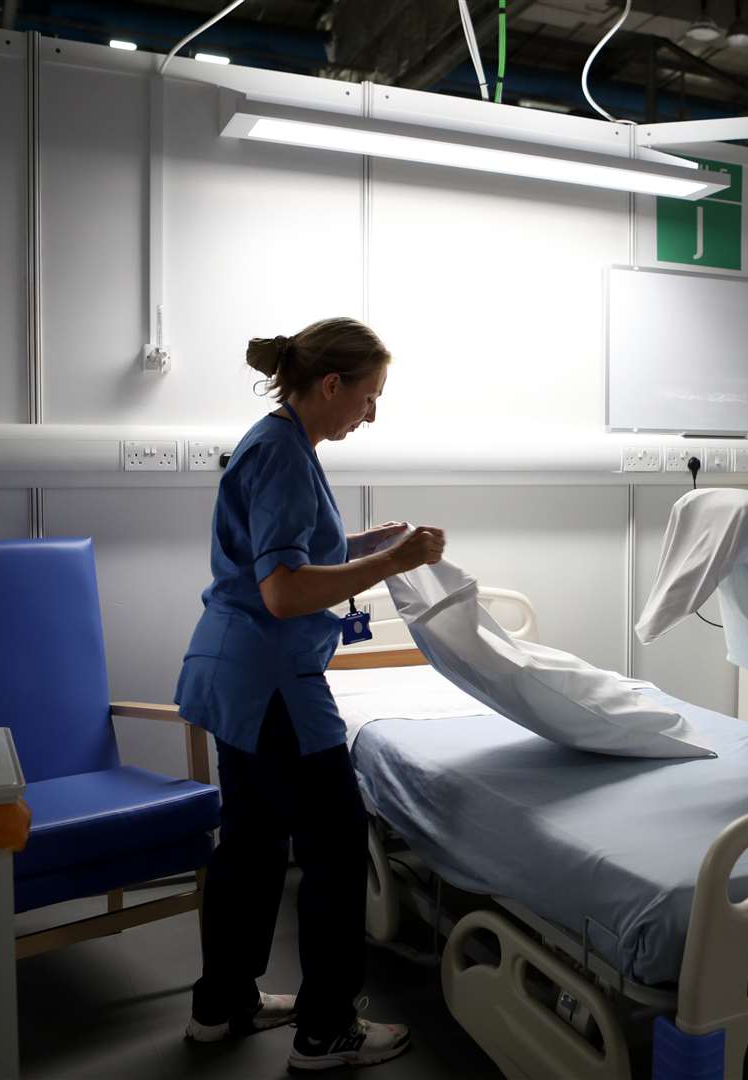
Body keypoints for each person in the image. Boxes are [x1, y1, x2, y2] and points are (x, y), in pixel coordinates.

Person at [175, 317, 446, 1072]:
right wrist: (392, 560)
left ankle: (221, 1003)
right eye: (369, 398)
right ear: (332, 385)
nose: (371, 413)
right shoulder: (287, 458)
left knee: (253, 845)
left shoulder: (277, 441)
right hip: (274, 685)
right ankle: (327, 1030)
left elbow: (290, 553)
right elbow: (287, 591)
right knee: (334, 847)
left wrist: (361, 543)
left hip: (239, 674)